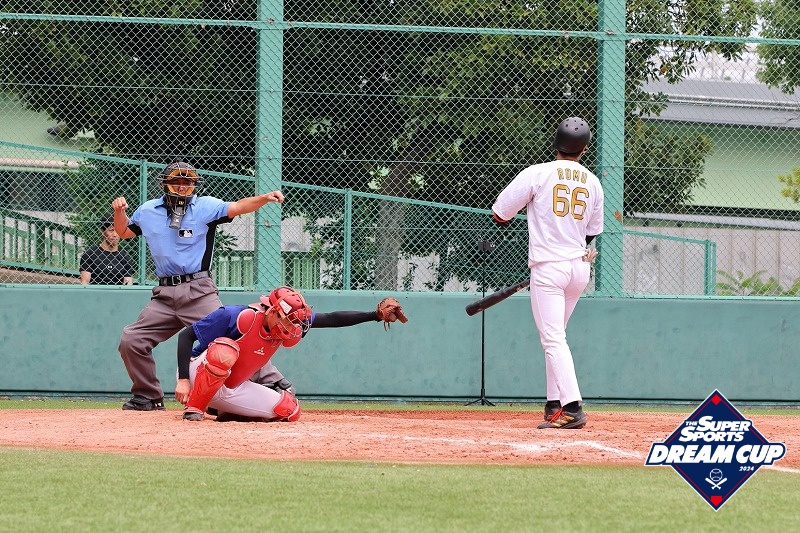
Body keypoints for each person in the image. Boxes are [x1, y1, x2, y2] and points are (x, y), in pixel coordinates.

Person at [111, 160, 287, 411]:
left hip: (198, 290)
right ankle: (148, 396)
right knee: (132, 340)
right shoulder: (148, 210)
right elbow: (124, 232)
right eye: (177, 181)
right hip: (164, 295)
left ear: (195, 185)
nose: (182, 186)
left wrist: (264, 198)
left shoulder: (205, 206)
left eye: (188, 182)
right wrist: (119, 212)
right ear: (165, 184)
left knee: (231, 336)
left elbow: (238, 206)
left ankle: (272, 380)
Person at [491, 116, 604, 430]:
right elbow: (592, 233)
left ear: (556, 143)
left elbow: (500, 214)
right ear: (584, 149)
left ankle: (573, 408)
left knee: (553, 339)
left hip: (549, 268)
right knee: (556, 337)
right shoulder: (593, 182)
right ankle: (554, 404)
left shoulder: (538, 172)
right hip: (578, 268)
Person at [175, 287, 408, 422]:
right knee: (224, 351)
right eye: (287, 319)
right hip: (197, 374)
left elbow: (331, 318)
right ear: (272, 311)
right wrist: (184, 380)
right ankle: (195, 409)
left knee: (288, 409)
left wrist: (373, 316)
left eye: (295, 321)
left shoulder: (291, 323)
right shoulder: (236, 315)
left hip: (232, 385)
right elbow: (186, 336)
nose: (292, 326)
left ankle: (222, 409)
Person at [79, 214, 134, 285]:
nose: (115, 235)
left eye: (118, 230)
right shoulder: (90, 254)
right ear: (102, 232)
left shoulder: (125, 258)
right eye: (111, 230)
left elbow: (128, 285)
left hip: (118, 291)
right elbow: (85, 283)